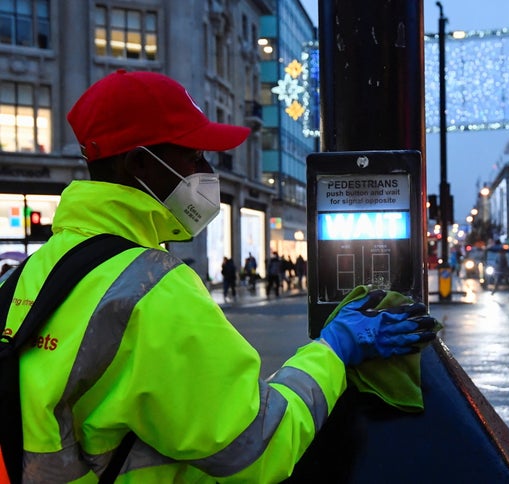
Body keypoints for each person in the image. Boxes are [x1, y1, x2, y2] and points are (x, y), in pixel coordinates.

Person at [2, 70, 439, 483]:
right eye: (194, 156)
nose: (208, 173)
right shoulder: (152, 289)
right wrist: (334, 349)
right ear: (139, 164)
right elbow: (259, 445)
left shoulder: (24, 277)